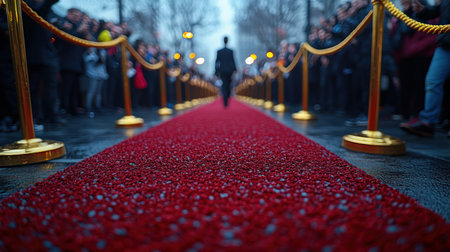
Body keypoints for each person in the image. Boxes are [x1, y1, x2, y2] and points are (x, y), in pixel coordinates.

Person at [400, 0, 450, 137]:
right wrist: (422, 11)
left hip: (444, 42)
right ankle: (428, 122)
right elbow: (439, 10)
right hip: (445, 44)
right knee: (432, 81)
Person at [215, 36, 237, 107]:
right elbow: (233, 61)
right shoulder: (230, 51)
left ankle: (225, 100)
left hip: (222, 71)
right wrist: (235, 70)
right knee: (227, 85)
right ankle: (226, 98)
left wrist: (216, 71)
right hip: (229, 71)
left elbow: (216, 62)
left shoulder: (219, 51)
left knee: (225, 85)